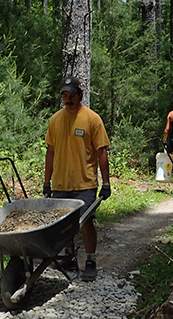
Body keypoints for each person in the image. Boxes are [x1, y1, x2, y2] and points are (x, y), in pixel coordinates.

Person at [43, 76, 111, 282]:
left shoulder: (92, 119)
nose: (68, 99)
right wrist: (47, 182)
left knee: (86, 221)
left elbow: (101, 152)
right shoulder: (55, 119)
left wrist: (106, 183)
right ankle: (69, 256)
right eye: (65, 95)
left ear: (80, 95)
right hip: (61, 183)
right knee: (63, 222)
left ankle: (90, 261)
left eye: (72, 95)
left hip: (85, 183)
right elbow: (51, 152)